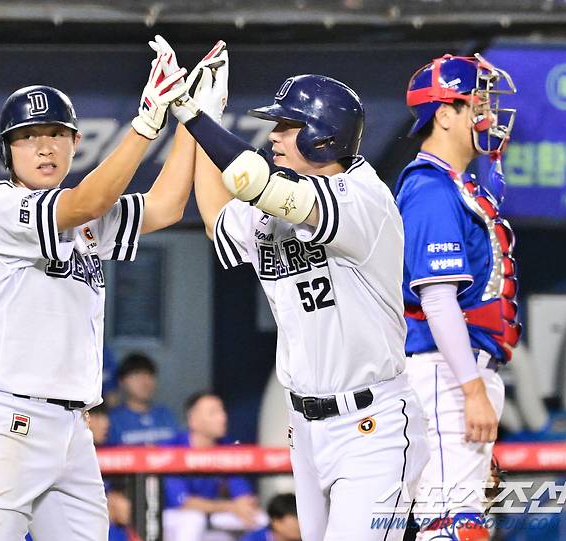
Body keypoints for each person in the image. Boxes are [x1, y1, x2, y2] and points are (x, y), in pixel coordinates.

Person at [152, 36, 430, 541]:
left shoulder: (363, 199)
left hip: (373, 425)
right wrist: (199, 128)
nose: (274, 135)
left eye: (287, 125)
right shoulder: (275, 200)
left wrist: (194, 115)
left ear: (323, 137)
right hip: (305, 424)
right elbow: (218, 219)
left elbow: (251, 180)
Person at [0, 40, 228, 541]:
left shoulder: (84, 217)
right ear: (6, 151)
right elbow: (85, 202)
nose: (44, 147)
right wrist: (146, 123)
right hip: (6, 419)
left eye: (57, 134)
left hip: (72, 427)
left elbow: (166, 206)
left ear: (75, 143)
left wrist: (192, 118)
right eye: (28, 137)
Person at [394, 53, 520, 540]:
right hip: (444, 371)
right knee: (451, 528)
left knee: (454, 522)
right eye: (475, 105)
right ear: (444, 114)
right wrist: (470, 389)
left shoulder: (453, 184)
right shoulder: (429, 188)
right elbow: (439, 300)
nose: (487, 117)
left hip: (455, 370)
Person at [162, 391, 268, 541]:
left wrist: (244, 505)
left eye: (222, 411)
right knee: (193, 519)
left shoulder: (228, 446)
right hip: (170, 518)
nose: (222, 417)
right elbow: (182, 502)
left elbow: (242, 494)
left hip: (210, 512)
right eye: (213, 412)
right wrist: (231, 506)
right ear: (193, 420)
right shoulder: (172, 448)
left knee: (259, 519)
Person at [107, 352, 179, 446]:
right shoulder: (113, 420)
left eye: (149, 375)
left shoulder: (166, 414)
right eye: (137, 376)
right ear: (122, 382)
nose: (145, 382)